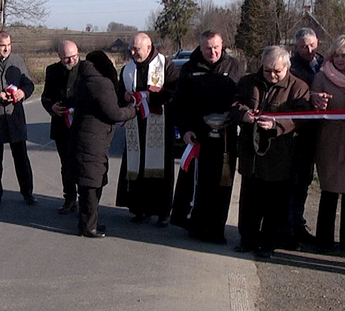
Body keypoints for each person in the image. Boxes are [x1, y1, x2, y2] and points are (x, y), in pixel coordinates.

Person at [231, 46, 310, 258]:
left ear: (287, 67)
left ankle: (268, 244)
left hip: (279, 155)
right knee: (249, 201)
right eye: (268, 70)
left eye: (277, 71)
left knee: (274, 204)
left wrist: (276, 124)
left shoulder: (298, 87)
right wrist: (243, 114)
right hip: (251, 152)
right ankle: (247, 239)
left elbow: (301, 118)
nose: (272, 75)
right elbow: (234, 103)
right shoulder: (249, 82)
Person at [170, 29, 244, 243]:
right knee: (197, 183)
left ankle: (216, 229)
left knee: (222, 183)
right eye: (207, 48)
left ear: (222, 46)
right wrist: (185, 131)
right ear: (200, 48)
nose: (212, 52)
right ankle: (195, 225)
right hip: (198, 136)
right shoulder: (189, 69)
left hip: (226, 138)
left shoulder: (235, 67)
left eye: (216, 48)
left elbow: (243, 96)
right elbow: (179, 104)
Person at [115, 32, 179, 226]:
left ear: (149, 47)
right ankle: (139, 209)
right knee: (138, 168)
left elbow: (175, 91)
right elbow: (118, 92)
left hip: (159, 124)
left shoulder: (166, 65)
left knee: (160, 169)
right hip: (136, 126)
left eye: (137, 49)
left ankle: (162, 211)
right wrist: (125, 96)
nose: (133, 52)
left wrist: (154, 97)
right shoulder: (127, 69)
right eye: (131, 49)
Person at [71, 51, 136, 238]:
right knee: (92, 182)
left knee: (86, 183)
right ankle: (90, 226)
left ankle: (87, 223)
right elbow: (113, 114)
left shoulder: (83, 78)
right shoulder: (101, 83)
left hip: (83, 136)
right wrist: (132, 111)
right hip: (94, 139)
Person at [0, 30, 36, 206]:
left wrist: (23, 92)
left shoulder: (17, 61)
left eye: (9, 45)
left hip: (15, 118)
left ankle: (27, 192)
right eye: (2, 46)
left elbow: (29, 84)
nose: (6, 49)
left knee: (21, 158)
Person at [288, 27, 326, 244]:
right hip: (297, 132)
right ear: (296, 47)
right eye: (303, 46)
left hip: (320, 133)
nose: (308, 49)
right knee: (294, 180)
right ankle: (290, 225)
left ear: (317, 43)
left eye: (311, 45)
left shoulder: (325, 64)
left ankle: (298, 221)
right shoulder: (292, 67)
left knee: (305, 179)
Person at [311, 35, 345, 252]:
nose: (341, 59)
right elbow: (312, 104)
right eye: (338, 55)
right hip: (329, 142)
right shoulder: (322, 76)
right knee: (329, 191)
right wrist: (318, 101)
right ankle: (323, 240)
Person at [41, 40, 80, 214]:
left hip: (81, 126)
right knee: (66, 165)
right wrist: (52, 107)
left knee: (82, 164)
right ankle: (70, 198)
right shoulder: (52, 71)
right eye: (66, 58)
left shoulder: (86, 70)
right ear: (59, 57)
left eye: (74, 57)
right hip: (61, 126)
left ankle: (86, 201)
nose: (71, 61)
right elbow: (45, 97)